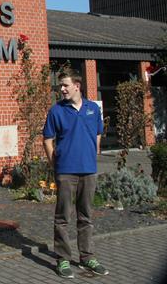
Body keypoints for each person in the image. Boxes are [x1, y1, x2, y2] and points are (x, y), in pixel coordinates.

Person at [43, 69, 109, 278]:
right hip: (65, 171)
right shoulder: (56, 111)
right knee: (63, 217)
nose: (61, 89)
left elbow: (98, 133)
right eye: (60, 85)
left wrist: (94, 152)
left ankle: (87, 257)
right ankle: (62, 259)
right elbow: (47, 139)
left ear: (77, 86)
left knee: (86, 216)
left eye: (65, 85)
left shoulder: (92, 108)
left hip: (89, 170)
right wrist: (55, 163)